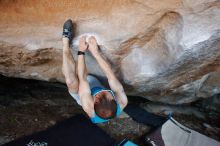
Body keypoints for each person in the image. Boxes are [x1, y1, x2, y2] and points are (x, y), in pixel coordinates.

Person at [62, 19, 128, 123]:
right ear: (114, 100)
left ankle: (65, 43)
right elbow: (110, 74)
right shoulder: (122, 101)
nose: (103, 93)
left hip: (82, 93)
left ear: (95, 101)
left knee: (71, 81)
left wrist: (81, 51)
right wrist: (95, 52)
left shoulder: (88, 105)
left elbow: (82, 78)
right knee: (112, 78)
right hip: (96, 83)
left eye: (100, 96)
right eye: (106, 94)